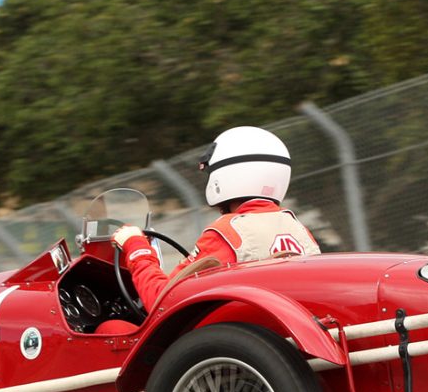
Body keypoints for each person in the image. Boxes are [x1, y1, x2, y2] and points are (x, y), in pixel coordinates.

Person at [110, 127, 320, 316]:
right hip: (283, 333)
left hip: (240, 341)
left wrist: (136, 247)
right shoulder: (299, 229)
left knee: (113, 326)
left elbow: (161, 302)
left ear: (227, 174)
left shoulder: (228, 232)